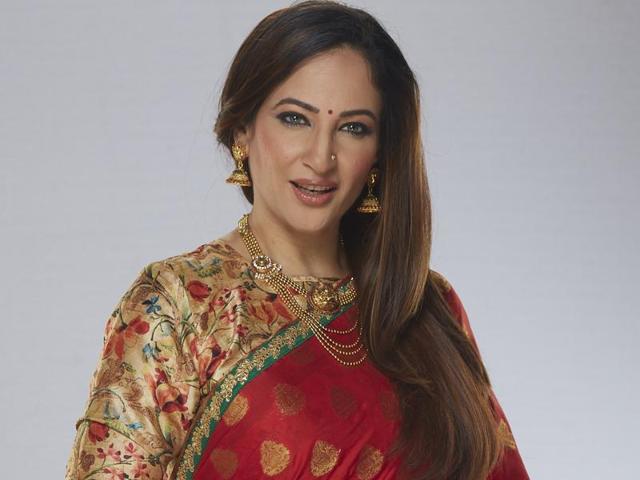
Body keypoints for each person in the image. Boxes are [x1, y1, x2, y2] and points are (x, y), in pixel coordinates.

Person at [65, 1, 530, 479]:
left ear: (378, 153)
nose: (321, 157)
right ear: (242, 129)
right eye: (295, 119)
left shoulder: (425, 305)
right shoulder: (180, 306)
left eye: (353, 128)